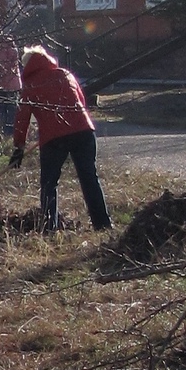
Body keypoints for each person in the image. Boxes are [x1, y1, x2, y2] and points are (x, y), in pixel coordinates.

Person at [9, 45, 112, 233]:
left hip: (54, 139)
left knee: (49, 183)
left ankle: (49, 228)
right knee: (89, 178)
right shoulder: (65, 74)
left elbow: (22, 118)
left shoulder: (31, 85)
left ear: (27, 65)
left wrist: (19, 148)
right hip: (84, 131)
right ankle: (103, 224)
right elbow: (81, 101)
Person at [0, 33, 22, 136]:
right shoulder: (12, 49)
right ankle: (10, 132)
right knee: (11, 108)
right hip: (11, 85)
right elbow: (12, 67)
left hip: (1, 84)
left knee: (3, 108)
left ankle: (4, 131)